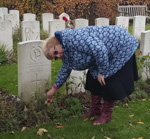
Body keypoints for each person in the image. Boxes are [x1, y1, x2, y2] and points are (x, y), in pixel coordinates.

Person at [42, 25, 139, 125]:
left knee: (108, 79)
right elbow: (64, 70)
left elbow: (100, 50)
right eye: (55, 57)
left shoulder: (74, 39)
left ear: (56, 42)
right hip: (105, 52)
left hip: (120, 45)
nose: (58, 55)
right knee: (92, 77)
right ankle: (95, 109)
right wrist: (54, 89)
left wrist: (102, 72)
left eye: (56, 51)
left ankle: (106, 114)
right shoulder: (66, 51)